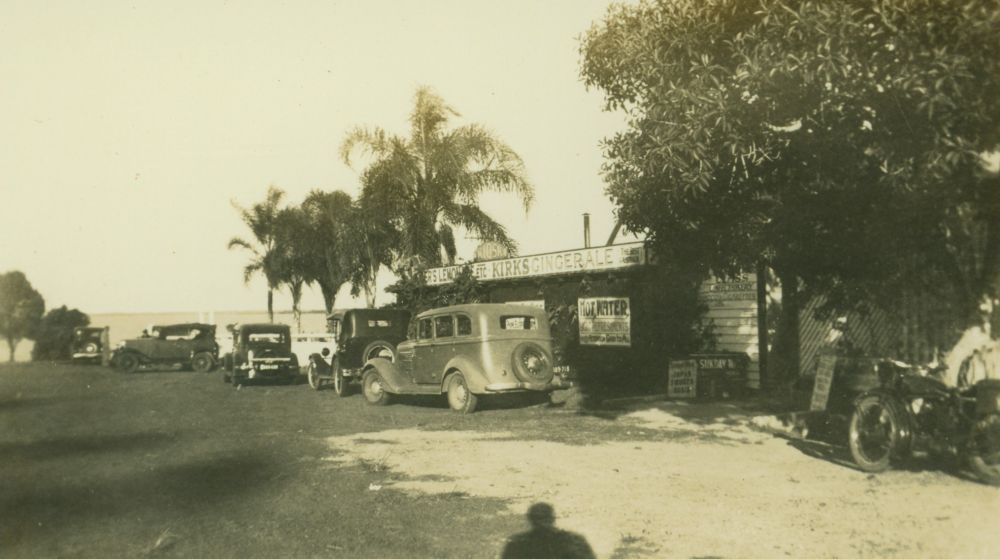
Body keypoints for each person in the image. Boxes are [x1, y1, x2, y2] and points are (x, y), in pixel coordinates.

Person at [501, 502, 595, 559]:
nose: (541, 523)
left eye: (544, 518)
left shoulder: (572, 541)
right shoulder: (518, 545)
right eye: (538, 518)